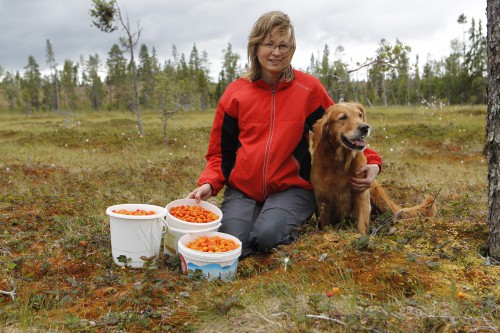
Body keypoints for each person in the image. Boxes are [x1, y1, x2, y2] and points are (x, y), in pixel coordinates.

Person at [187, 11, 382, 258]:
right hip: (243, 190)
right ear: (255, 46)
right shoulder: (235, 94)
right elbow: (219, 153)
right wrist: (209, 183)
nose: (276, 52)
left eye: (283, 45)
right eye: (268, 44)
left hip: (292, 188)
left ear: (292, 49)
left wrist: (373, 163)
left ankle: (275, 226)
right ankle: (255, 223)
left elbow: (342, 129)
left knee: (268, 237)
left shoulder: (308, 89)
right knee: (234, 244)